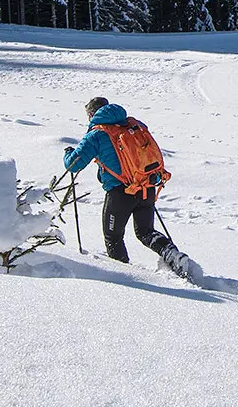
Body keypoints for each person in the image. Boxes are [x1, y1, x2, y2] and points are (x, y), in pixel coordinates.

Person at [65, 97, 194, 276]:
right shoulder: (134, 124)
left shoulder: (97, 134)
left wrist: (68, 153)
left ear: (92, 114)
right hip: (146, 187)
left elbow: (73, 165)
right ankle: (174, 257)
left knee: (113, 238)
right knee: (145, 231)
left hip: (120, 194)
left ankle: (125, 279)